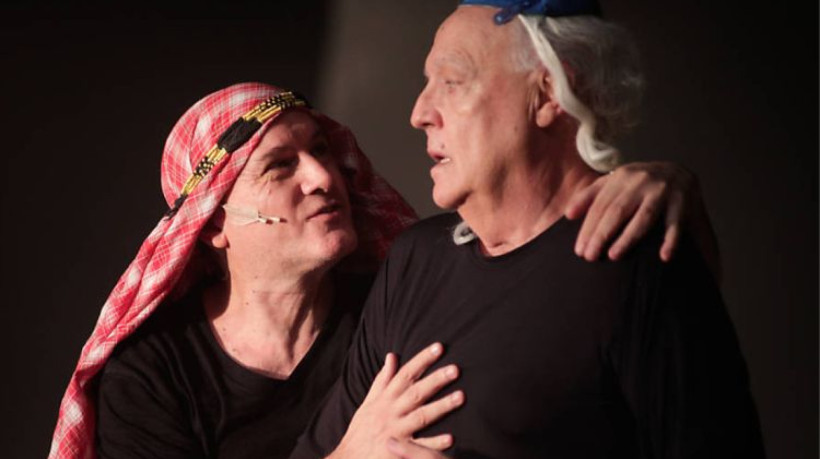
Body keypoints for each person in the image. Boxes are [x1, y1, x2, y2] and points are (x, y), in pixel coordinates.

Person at [49, 79, 714, 458]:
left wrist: (668, 189)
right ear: (214, 224)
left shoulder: (394, 303)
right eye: (279, 167)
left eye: (320, 151)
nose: (323, 177)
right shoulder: (152, 375)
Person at [290, 2, 764, 458]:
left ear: (549, 93)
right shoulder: (415, 260)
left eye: (452, 81)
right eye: (427, 83)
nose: (420, 113)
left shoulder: (635, 259)